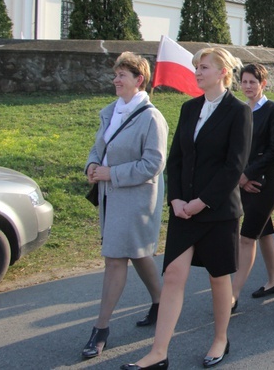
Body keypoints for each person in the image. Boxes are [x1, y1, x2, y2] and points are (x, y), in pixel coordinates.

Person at [123, 47, 251, 370]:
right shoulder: (188, 107)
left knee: (218, 278)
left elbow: (233, 167)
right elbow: (176, 159)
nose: (197, 72)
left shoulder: (238, 112)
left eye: (204, 67)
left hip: (218, 211)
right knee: (174, 275)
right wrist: (177, 200)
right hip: (184, 210)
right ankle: (159, 352)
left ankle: (221, 338)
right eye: (196, 67)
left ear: (223, 72)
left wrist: (201, 202)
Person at [82, 52, 168, 361]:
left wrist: (111, 173)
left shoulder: (152, 117)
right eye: (116, 74)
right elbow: (98, 146)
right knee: (139, 253)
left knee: (115, 259)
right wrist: (92, 165)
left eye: (122, 75)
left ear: (139, 80)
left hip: (136, 199)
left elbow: (153, 164)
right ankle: (162, 301)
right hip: (109, 196)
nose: (116, 80)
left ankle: (100, 329)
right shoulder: (111, 111)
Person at [231, 64, 274, 312]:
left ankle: (231, 295)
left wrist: (247, 174)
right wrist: (239, 177)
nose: (248, 86)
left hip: (265, 181)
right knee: (264, 232)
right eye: (244, 81)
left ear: (263, 84)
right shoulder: (239, 109)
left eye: (253, 82)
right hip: (243, 181)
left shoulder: (273, 109)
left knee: (246, 237)